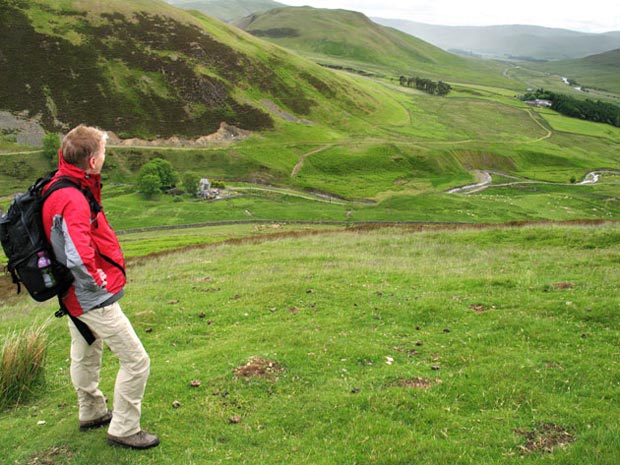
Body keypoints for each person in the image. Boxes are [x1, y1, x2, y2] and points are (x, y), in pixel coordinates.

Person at [42, 125, 159, 449]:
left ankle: (91, 410)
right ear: (92, 161)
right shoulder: (74, 198)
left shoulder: (57, 186)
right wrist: (97, 279)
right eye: (104, 153)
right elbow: (78, 253)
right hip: (90, 296)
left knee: (85, 350)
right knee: (137, 361)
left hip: (70, 294)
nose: (106, 158)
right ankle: (124, 428)